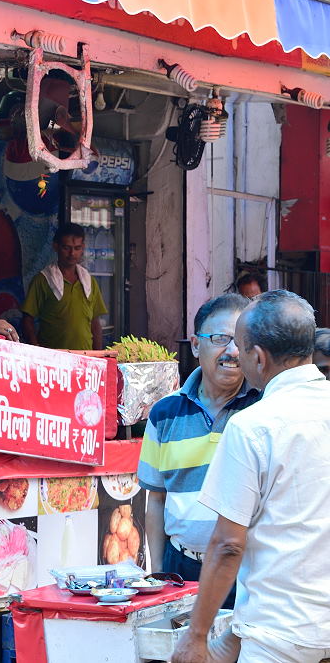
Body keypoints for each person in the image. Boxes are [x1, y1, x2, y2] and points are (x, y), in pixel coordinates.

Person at [173, 290, 330, 663]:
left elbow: (228, 544)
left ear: (258, 357)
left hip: (280, 636)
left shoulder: (252, 426)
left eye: (240, 348)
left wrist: (196, 637)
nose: (235, 356)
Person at [137, 294, 258, 609]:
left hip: (248, 570)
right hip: (181, 567)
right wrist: (159, 575)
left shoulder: (263, 409)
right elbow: (156, 500)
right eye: (220, 339)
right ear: (195, 345)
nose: (232, 351)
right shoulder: (164, 413)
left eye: (241, 341)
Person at [20, 224, 108, 350]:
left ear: (83, 248)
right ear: (56, 246)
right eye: (66, 248)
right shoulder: (42, 280)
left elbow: (95, 323)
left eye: (77, 248)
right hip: (52, 357)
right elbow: (27, 320)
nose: (72, 253)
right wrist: (35, 348)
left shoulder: (90, 282)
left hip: (85, 356)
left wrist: (99, 356)